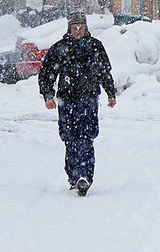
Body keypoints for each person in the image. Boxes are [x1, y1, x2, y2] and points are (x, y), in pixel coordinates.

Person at [38, 10, 117, 196]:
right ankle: (73, 176)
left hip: (89, 99)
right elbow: (46, 73)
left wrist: (110, 93)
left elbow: (105, 72)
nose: (78, 31)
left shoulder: (95, 46)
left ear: (86, 27)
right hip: (67, 100)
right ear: (69, 28)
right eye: (75, 27)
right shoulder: (59, 48)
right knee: (70, 138)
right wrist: (48, 95)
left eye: (81, 27)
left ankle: (85, 176)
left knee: (87, 137)